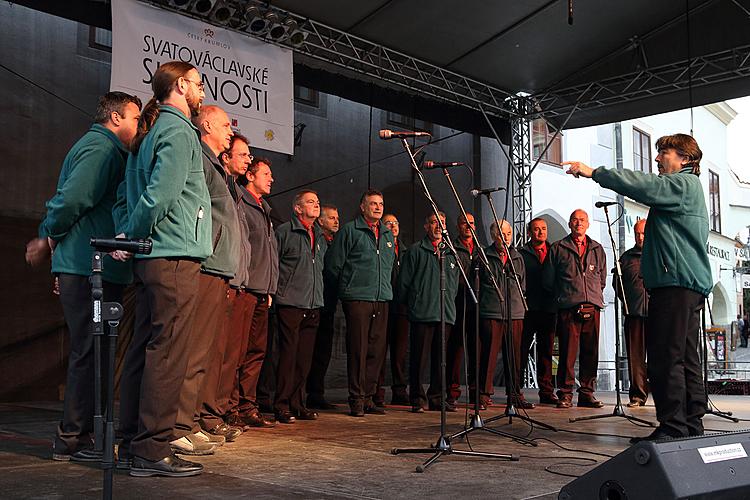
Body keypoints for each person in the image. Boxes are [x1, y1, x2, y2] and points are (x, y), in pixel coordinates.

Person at [564, 133, 712, 441]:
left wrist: (595, 173)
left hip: (675, 285)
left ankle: (673, 427)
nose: (657, 159)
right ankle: (690, 425)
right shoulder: (688, 188)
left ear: (685, 159)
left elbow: (644, 186)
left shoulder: (682, 185)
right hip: (685, 284)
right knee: (685, 357)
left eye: (664, 153)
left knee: (664, 358)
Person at [25, 91, 141, 462]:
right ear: (116, 118)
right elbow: (73, 198)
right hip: (88, 266)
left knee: (96, 352)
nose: (139, 127)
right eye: (136, 119)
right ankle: (73, 437)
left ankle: (88, 433)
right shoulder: (101, 149)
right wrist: (48, 235)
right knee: (89, 351)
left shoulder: (108, 150)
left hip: (94, 264)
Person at [117, 61, 211, 477]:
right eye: (199, 85)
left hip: (157, 254)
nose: (203, 93)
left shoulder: (157, 130)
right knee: (168, 353)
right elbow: (160, 195)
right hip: (172, 254)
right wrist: (132, 234)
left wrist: (131, 236)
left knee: (147, 349)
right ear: (180, 86)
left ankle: (134, 439)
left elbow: (139, 193)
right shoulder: (176, 129)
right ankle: (152, 450)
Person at [171, 105, 241, 449]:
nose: (230, 130)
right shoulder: (198, 156)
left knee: (206, 354)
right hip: (206, 263)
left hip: (220, 267)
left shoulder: (216, 165)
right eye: (226, 124)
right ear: (208, 124)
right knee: (193, 351)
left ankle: (193, 417)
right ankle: (179, 423)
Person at [201, 133, 256, 434]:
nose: (248, 159)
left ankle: (216, 414)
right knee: (213, 355)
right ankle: (207, 416)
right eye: (243, 154)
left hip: (236, 280)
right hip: (217, 274)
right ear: (226, 157)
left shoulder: (235, 190)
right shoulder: (218, 180)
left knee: (228, 356)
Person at [325, 189, 396, 417]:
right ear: (362, 207)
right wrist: (346, 289)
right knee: (358, 349)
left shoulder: (386, 234)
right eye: (373, 203)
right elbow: (334, 264)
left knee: (376, 351)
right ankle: (356, 399)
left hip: (382, 298)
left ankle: (368, 398)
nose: (378, 207)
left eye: (381, 203)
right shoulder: (350, 230)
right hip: (357, 298)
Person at [542, 209, 607, 409]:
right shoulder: (558, 248)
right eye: (575, 220)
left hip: (592, 306)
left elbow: (602, 280)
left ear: (588, 224)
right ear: (570, 224)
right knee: (568, 353)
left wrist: (592, 295)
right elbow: (548, 281)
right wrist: (567, 294)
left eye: (582, 220)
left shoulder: (597, 248)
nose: (578, 223)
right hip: (568, 307)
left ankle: (587, 392)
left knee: (591, 352)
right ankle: (566, 393)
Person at [272, 190, 327, 424]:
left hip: (313, 303)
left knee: (304, 359)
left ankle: (298, 403)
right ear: (297, 208)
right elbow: (275, 264)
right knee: (287, 357)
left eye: (317, 201)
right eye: (310, 201)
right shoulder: (285, 231)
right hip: (290, 303)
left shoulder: (320, 235)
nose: (316, 204)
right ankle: (281, 404)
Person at [234, 157, 279, 427]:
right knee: (238, 352)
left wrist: (270, 288)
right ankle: (232, 407)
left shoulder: (264, 208)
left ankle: (247, 406)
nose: (271, 178)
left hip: (263, 290)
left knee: (256, 352)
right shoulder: (243, 202)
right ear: (250, 176)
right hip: (247, 288)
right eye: (266, 173)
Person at [478, 220, 531, 409]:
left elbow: (522, 284)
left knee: (514, 356)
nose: (505, 238)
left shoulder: (517, 257)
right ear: (493, 236)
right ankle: (483, 395)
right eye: (501, 234)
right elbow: (480, 283)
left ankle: (514, 393)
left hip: (514, 312)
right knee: (489, 355)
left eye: (508, 234)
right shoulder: (485, 255)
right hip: (492, 311)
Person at [518, 217, 559, 405]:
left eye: (543, 229)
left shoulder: (554, 252)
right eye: (536, 229)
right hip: (527, 309)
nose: (541, 232)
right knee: (521, 350)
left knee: (546, 351)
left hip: (549, 308)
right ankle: (516, 390)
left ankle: (546, 390)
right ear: (529, 232)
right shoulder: (521, 254)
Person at [306, 204, 341, 410]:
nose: (336, 221)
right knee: (308, 350)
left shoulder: (336, 243)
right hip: (312, 300)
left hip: (328, 302)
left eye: (337, 218)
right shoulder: (317, 240)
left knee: (323, 350)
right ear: (321, 220)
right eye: (331, 218)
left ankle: (316, 392)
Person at [374, 213, 410, 407]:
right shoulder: (380, 247)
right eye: (388, 223)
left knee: (400, 353)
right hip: (384, 303)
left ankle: (399, 390)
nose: (393, 226)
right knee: (380, 350)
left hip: (402, 307)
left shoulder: (405, 252)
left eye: (396, 222)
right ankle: (377, 390)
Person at [617, 218, 650, 407]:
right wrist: (628, 302)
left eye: (644, 233)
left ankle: (662, 397)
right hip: (634, 314)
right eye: (637, 233)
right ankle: (638, 395)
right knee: (635, 358)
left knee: (659, 357)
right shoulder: (626, 258)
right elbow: (617, 286)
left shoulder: (658, 253)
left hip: (657, 314)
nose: (640, 237)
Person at [447, 213, 479, 406]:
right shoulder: (452, 248)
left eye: (472, 223)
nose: (468, 226)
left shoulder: (481, 250)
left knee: (476, 349)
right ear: (458, 226)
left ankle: (476, 392)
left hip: (476, 304)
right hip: (458, 302)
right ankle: (452, 391)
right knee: (455, 349)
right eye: (464, 223)